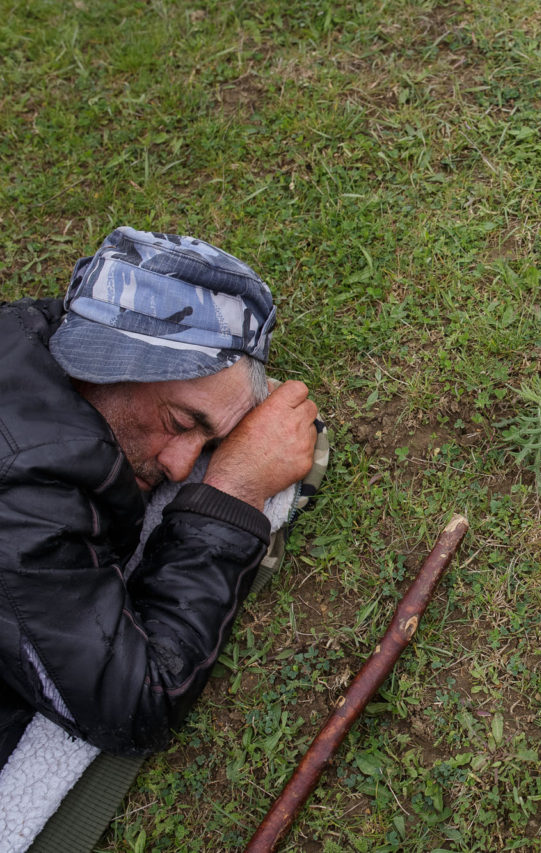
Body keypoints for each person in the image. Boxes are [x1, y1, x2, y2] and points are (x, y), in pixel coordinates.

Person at [0, 227, 319, 769]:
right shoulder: (22, 499)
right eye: (178, 422)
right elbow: (133, 703)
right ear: (102, 361)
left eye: (209, 446)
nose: (178, 465)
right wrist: (230, 493)